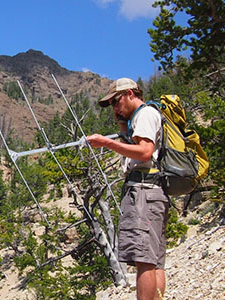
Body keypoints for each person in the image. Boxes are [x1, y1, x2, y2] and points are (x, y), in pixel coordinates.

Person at [87, 78, 169, 300]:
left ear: (131, 94)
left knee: (144, 259)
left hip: (144, 191)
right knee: (153, 259)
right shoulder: (139, 118)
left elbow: (144, 152)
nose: (114, 107)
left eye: (116, 101)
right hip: (151, 190)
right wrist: (123, 125)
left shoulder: (145, 114)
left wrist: (107, 143)